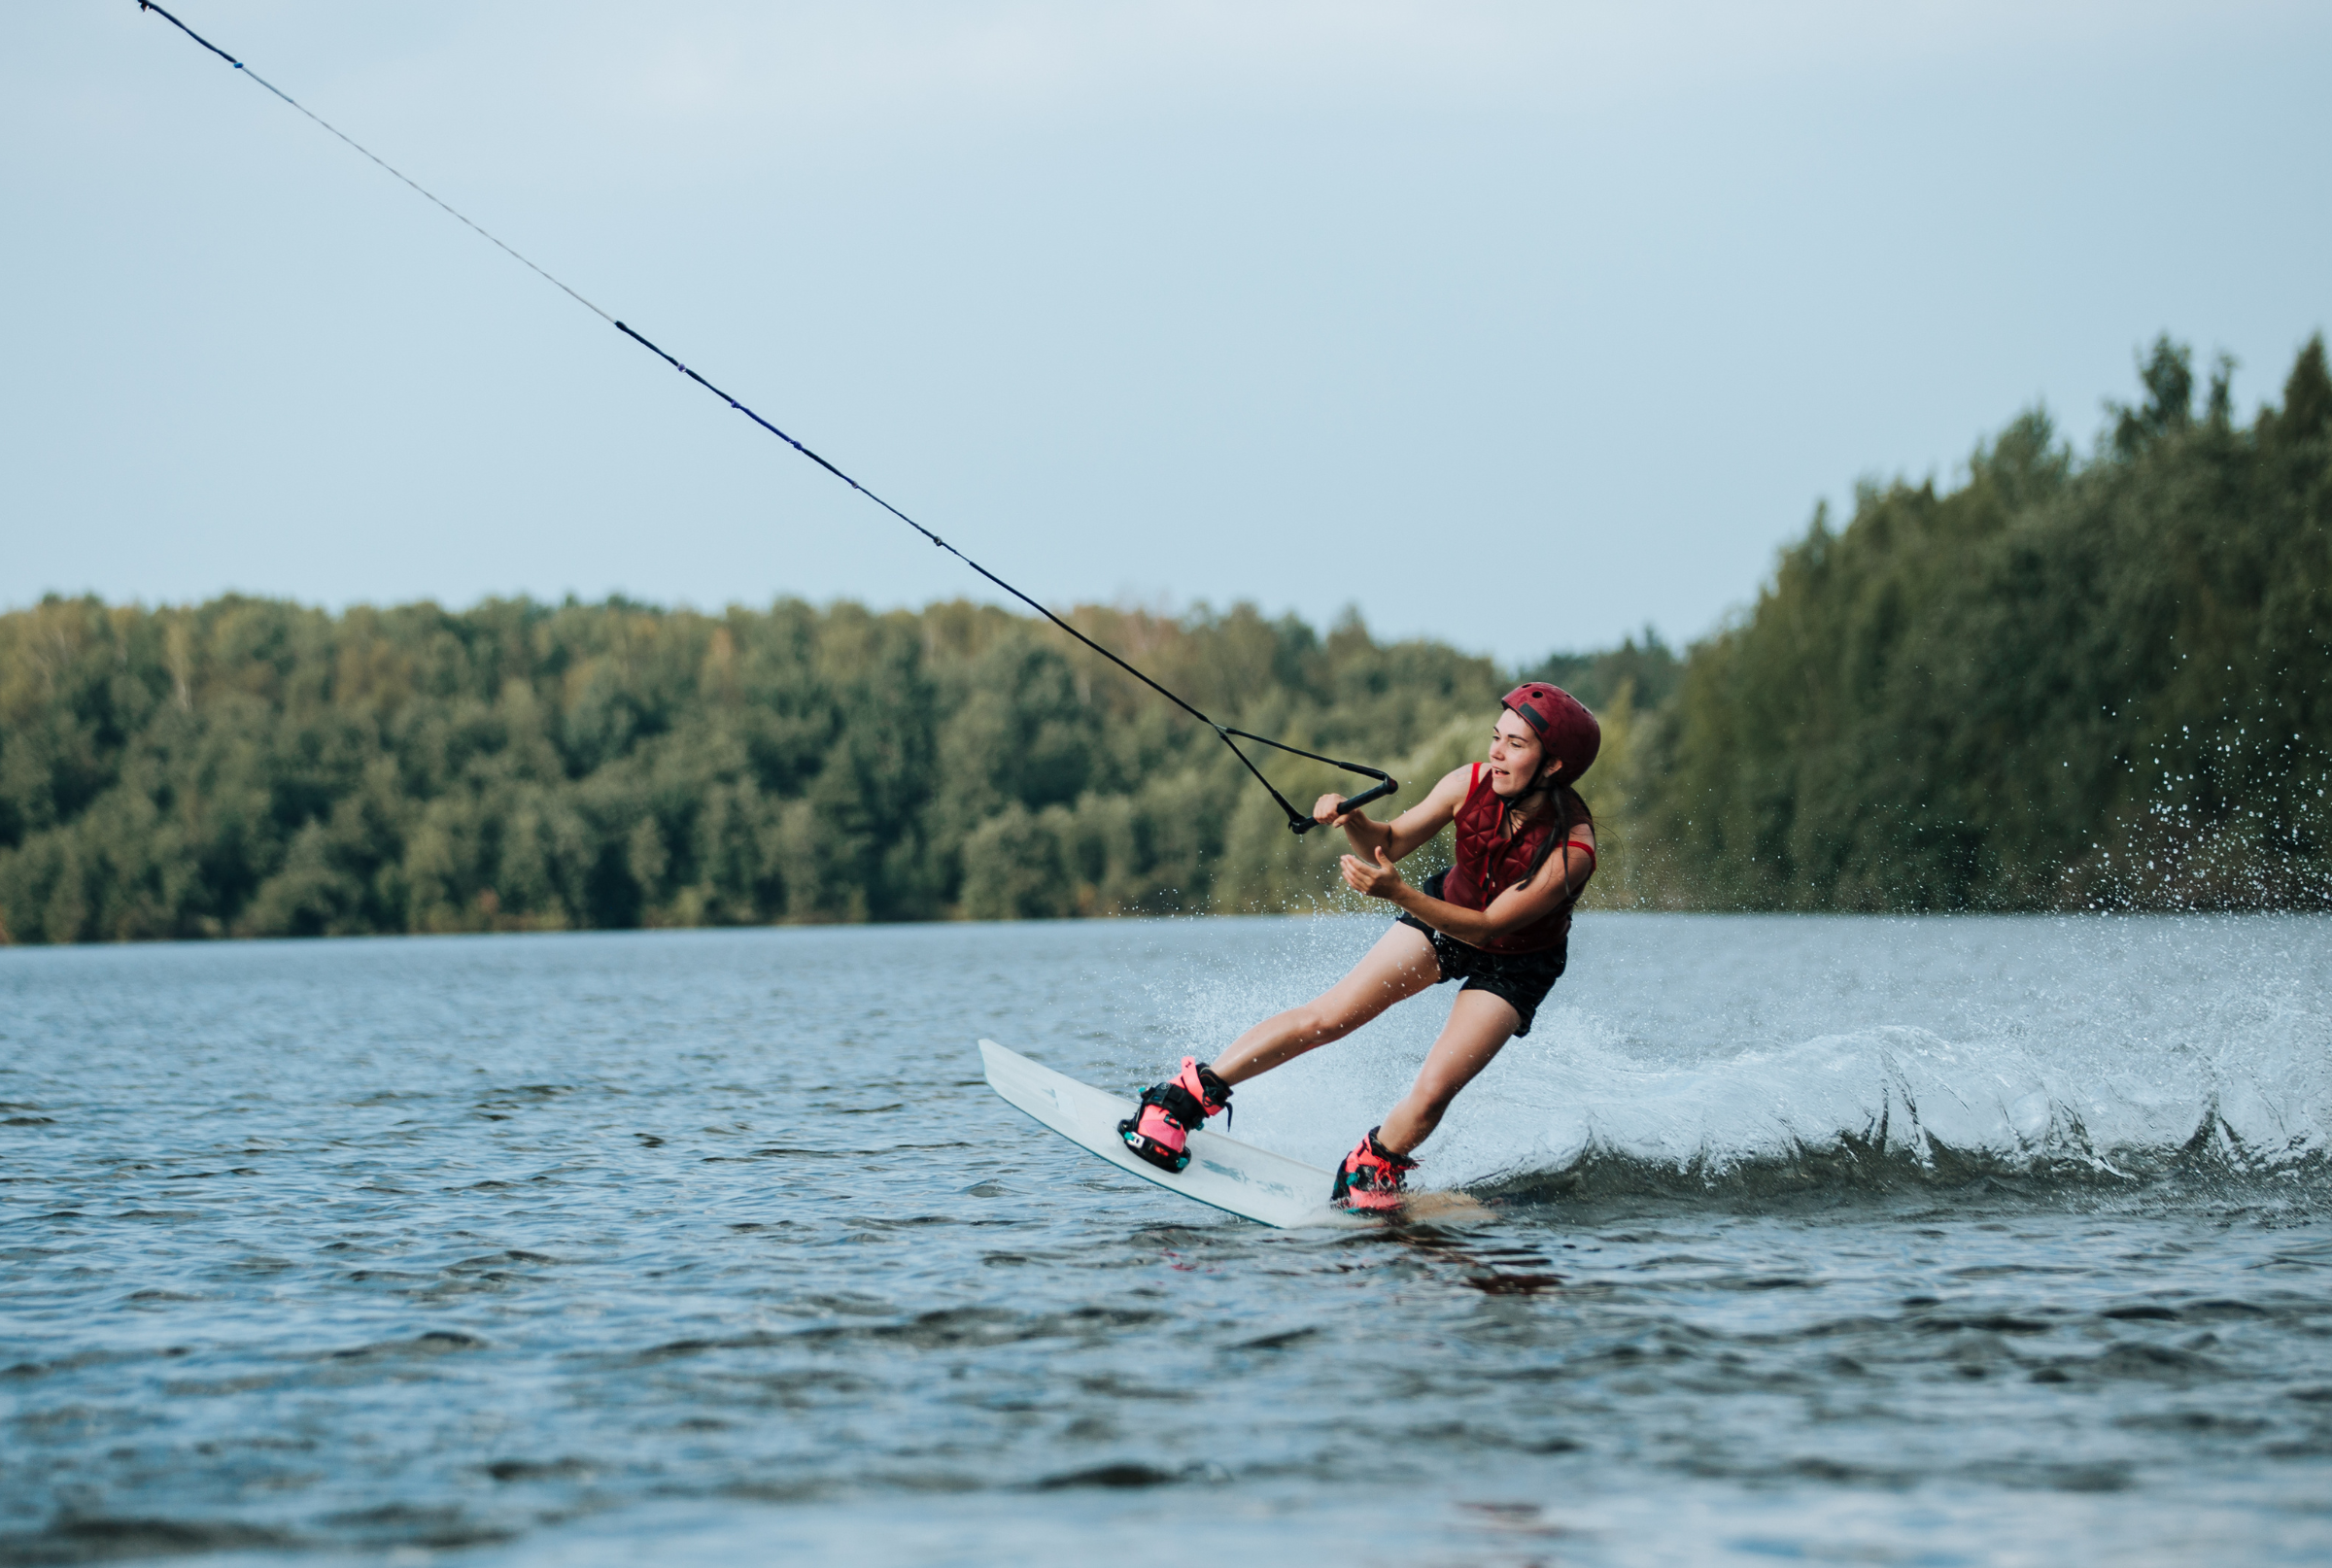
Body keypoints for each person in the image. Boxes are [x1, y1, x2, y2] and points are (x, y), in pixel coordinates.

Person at [1118, 683, 1599, 1210]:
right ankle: (1181, 1101)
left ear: (1553, 765)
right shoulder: (1469, 782)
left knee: (1436, 1089)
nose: (1496, 752)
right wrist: (1354, 820)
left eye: (1516, 745)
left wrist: (1399, 893)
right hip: (1443, 912)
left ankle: (1372, 1167)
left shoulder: (1572, 851)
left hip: (1517, 961)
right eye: (1496, 737)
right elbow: (1389, 842)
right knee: (1330, 1016)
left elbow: (1486, 928)